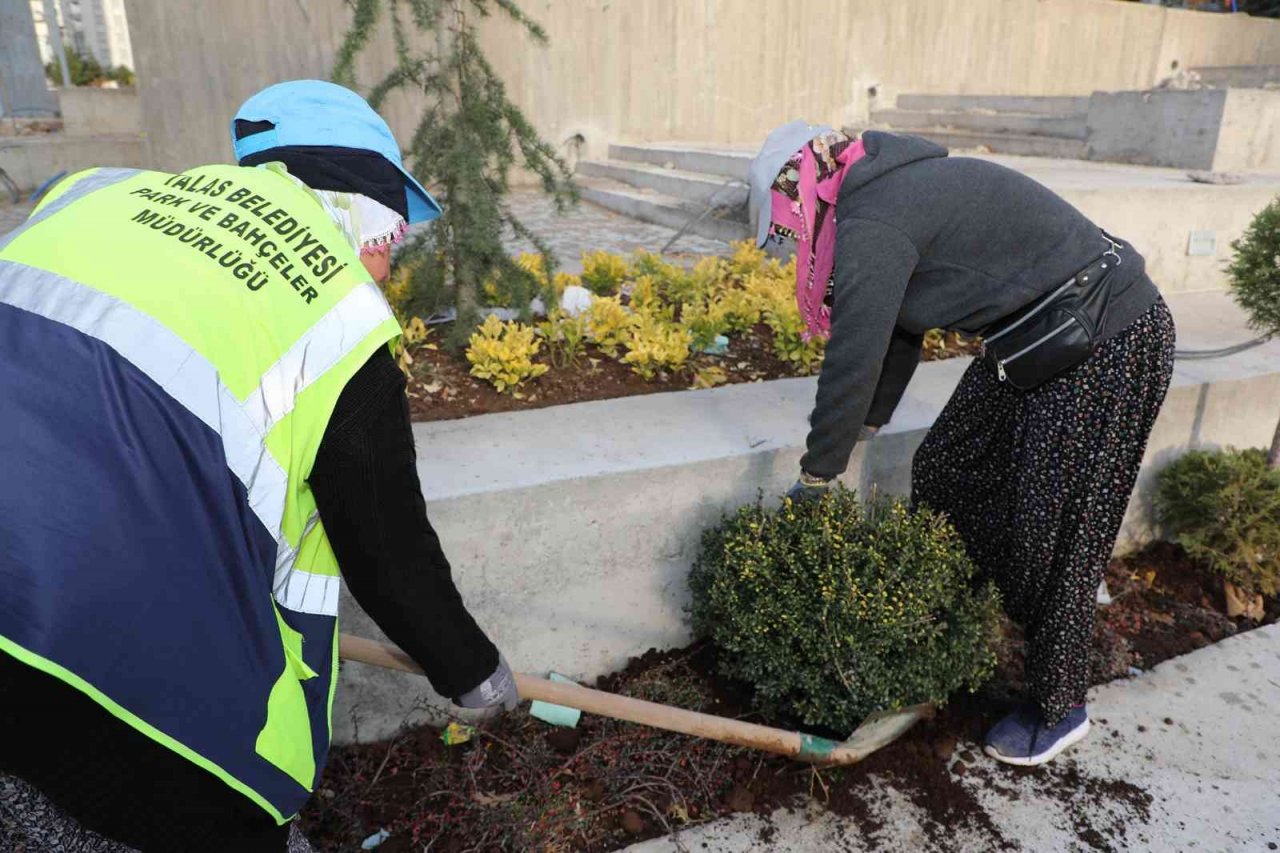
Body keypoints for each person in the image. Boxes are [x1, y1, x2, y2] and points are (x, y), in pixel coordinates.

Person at [0, 80, 517, 852]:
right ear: (345, 197)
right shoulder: (333, 313)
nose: (382, 268)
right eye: (386, 236)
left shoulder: (94, 195)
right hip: (104, 670)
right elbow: (390, 554)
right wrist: (476, 672)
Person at [749, 122, 1175, 767]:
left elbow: (854, 355)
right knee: (949, 464)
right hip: (1038, 338)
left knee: (1056, 530)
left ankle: (1058, 709)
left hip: (1106, 338)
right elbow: (897, 331)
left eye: (787, 217)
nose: (790, 233)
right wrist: (869, 426)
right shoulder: (883, 194)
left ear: (801, 188)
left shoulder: (874, 218)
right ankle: (968, 619)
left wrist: (818, 474)